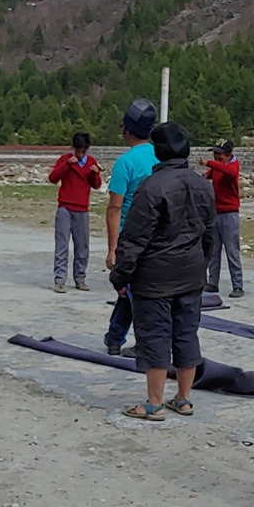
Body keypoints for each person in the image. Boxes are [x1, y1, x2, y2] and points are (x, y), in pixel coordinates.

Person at [109, 123, 216, 421]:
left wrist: (120, 273)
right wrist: (200, 264)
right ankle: (183, 399)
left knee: (155, 335)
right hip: (191, 274)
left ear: (158, 151)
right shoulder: (202, 185)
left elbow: (134, 238)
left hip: (155, 278)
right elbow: (210, 234)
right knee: (186, 333)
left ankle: (154, 403)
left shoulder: (151, 187)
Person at [103, 99, 160, 356]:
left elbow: (115, 207)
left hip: (131, 236)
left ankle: (136, 342)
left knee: (132, 292)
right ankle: (114, 337)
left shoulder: (124, 163)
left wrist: (112, 249)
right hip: (158, 235)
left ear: (126, 130)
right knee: (134, 291)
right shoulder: (160, 156)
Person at [47, 130, 103, 294]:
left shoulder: (91, 161)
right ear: (73, 148)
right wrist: (67, 165)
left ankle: (80, 278)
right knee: (62, 244)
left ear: (87, 149)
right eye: (77, 151)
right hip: (65, 207)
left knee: (82, 246)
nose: (80, 154)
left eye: (83, 151)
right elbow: (53, 178)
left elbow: (96, 185)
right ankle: (59, 280)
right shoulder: (65, 160)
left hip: (82, 209)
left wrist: (95, 173)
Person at [204, 140, 245, 296]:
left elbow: (230, 172)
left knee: (232, 251)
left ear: (228, 155)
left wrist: (208, 163)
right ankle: (212, 282)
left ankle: (237, 285)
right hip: (216, 212)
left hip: (230, 214)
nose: (215, 156)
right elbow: (207, 176)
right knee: (213, 250)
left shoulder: (232, 167)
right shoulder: (217, 167)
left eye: (218, 154)